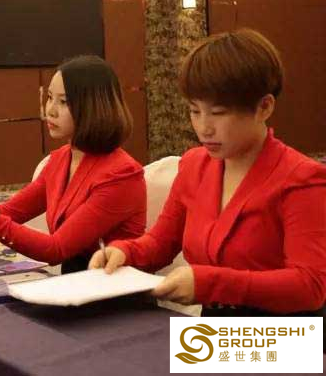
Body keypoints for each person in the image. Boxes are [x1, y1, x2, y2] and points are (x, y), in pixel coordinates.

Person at [90, 29, 326, 315]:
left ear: (264, 107)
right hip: (214, 327)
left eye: (218, 112)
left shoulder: (302, 178)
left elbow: (310, 286)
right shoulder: (194, 165)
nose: (204, 127)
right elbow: (161, 242)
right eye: (194, 111)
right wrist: (125, 252)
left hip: (286, 334)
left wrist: (210, 283)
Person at [0, 55, 147, 273]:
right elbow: (9, 212)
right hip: (74, 283)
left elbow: (55, 249)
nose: (50, 110)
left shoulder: (122, 174)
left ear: (94, 106)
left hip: (113, 288)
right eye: (49, 97)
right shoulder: (60, 159)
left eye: (63, 102)